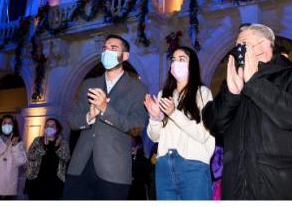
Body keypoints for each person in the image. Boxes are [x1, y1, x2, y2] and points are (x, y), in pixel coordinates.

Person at [202, 23, 292, 200]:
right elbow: (214, 124)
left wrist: (254, 82)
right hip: (236, 187)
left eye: (243, 45)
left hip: (278, 187)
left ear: (265, 46)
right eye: (237, 47)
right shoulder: (234, 83)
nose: (238, 51)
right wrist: (231, 95)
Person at [64, 34, 148, 200]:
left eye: (113, 48)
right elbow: (72, 120)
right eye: (105, 48)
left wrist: (105, 109)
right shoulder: (89, 83)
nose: (107, 51)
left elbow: (136, 127)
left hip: (114, 171)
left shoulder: (137, 88)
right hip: (80, 167)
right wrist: (89, 116)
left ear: (125, 56)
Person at [144, 46, 215, 200]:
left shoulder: (203, 93)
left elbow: (203, 134)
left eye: (182, 59)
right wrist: (155, 118)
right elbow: (155, 137)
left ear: (192, 65)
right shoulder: (164, 95)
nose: (176, 63)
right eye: (173, 60)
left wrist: (173, 113)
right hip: (164, 164)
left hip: (193, 165)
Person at [25, 117, 71, 200]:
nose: (49, 127)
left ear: (57, 129)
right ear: (45, 128)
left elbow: (66, 158)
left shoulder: (63, 143)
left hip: (54, 185)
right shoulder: (38, 140)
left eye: (52, 125)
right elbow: (30, 156)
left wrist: (57, 147)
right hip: (35, 183)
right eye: (47, 125)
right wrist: (44, 147)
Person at [128, 136, 153, 200]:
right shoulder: (125, 155)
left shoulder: (142, 156)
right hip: (127, 186)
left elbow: (148, 168)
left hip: (139, 186)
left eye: (133, 143)